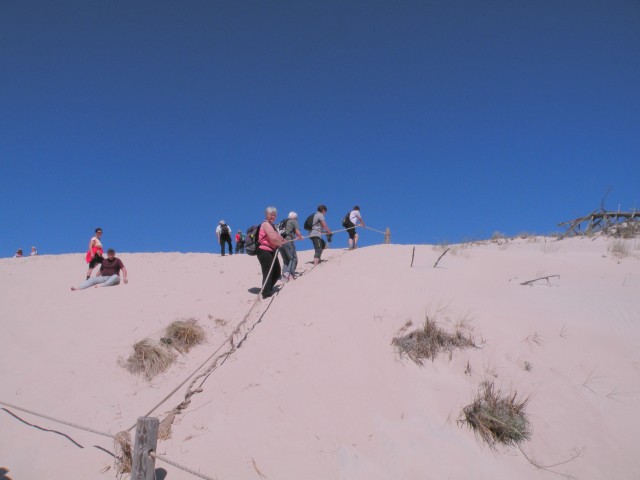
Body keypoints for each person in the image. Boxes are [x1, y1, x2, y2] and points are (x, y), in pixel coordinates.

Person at [256, 206, 283, 298]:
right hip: (263, 250)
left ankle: (267, 288)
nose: (273, 217)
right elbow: (273, 238)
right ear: (266, 215)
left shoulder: (272, 226)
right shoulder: (266, 224)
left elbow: (278, 237)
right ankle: (266, 293)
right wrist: (279, 243)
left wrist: (283, 241)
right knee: (268, 272)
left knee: (277, 271)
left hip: (271, 251)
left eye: (274, 215)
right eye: (271, 215)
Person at [279, 211, 304, 282]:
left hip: (280, 243)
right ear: (295, 217)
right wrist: (300, 237)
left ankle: (284, 277)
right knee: (293, 259)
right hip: (288, 241)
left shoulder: (283, 222)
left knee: (286, 261)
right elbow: (297, 231)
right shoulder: (293, 221)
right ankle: (288, 274)